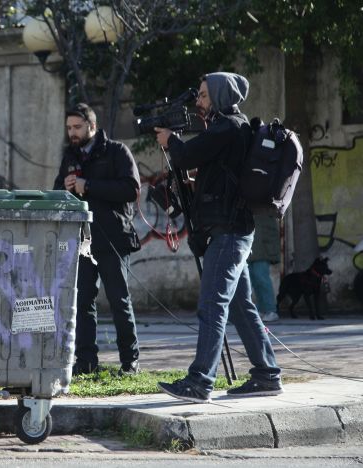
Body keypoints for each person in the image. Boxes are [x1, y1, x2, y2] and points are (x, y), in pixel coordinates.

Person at [154, 72, 283, 403]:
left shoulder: (228, 126)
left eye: (204, 96)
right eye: (199, 96)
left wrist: (170, 139)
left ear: (221, 97)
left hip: (229, 234)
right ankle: (267, 374)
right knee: (241, 306)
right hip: (232, 232)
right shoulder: (231, 129)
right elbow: (216, 172)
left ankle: (199, 381)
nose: (199, 102)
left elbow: (185, 155)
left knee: (212, 304)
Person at [53, 103, 142, 377]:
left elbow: (131, 189)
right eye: (69, 128)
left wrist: (88, 186)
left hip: (113, 239)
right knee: (82, 302)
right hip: (82, 242)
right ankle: (86, 362)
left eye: (77, 127)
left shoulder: (116, 152)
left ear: (92, 126)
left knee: (119, 301)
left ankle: (130, 362)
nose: (72, 133)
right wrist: (65, 188)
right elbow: (57, 193)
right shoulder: (70, 156)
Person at [248, 213, 281, 322]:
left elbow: (270, 233)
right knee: (254, 280)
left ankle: (270, 310)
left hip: (261, 251)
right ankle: (263, 309)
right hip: (251, 250)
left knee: (261, 279)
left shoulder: (265, 212)